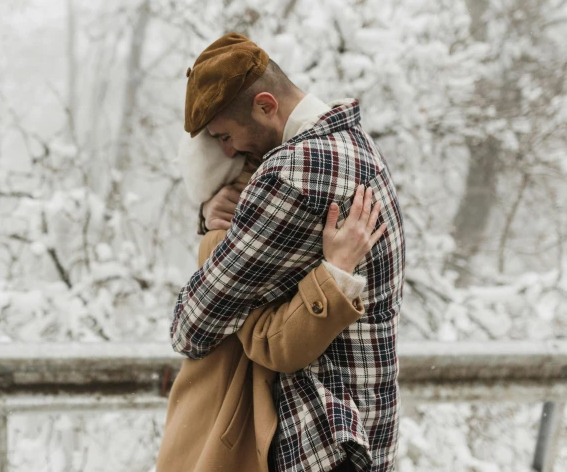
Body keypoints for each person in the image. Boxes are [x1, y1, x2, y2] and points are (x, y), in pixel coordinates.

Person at [170, 33, 405, 472]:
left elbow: (191, 328)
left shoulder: (291, 174)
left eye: (225, 135)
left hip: (322, 440)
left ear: (265, 105)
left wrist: (213, 234)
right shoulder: (355, 144)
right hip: (368, 430)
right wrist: (211, 212)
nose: (227, 151)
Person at [156, 155, 386, 472]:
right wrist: (338, 272)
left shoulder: (233, 236)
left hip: (212, 434)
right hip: (222, 444)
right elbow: (275, 344)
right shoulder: (228, 244)